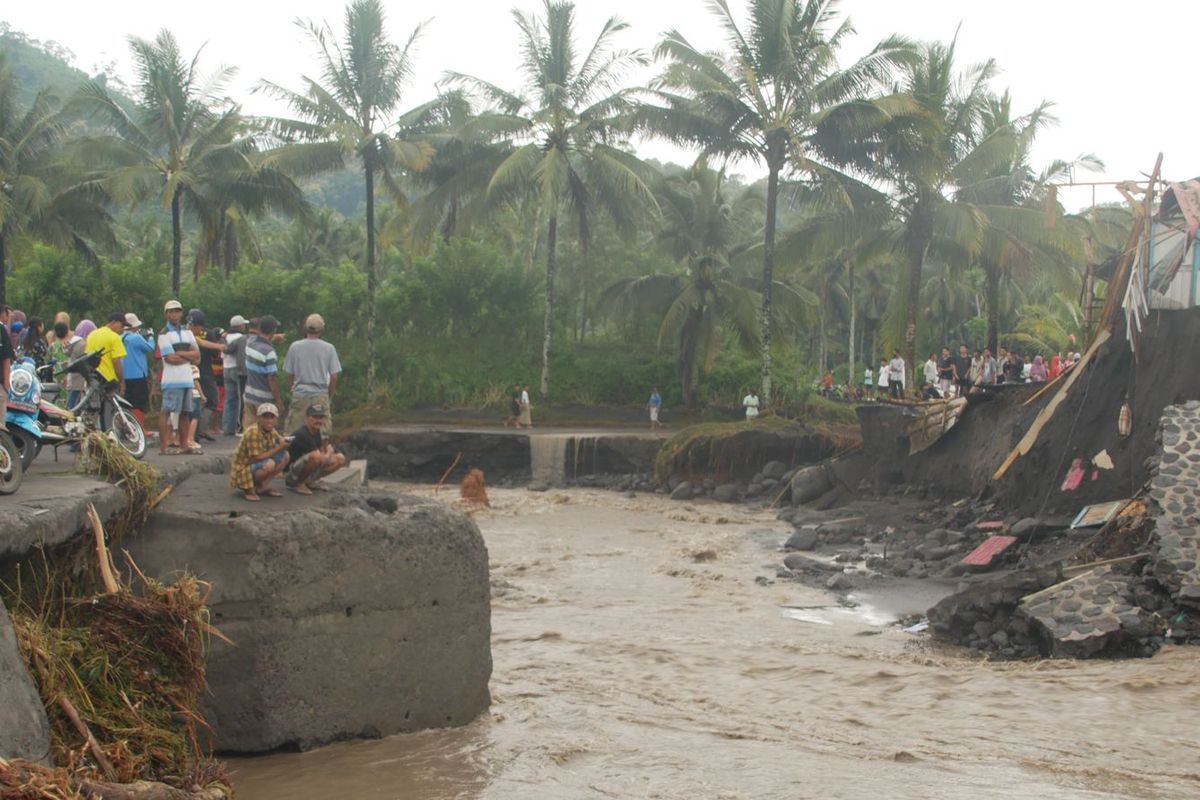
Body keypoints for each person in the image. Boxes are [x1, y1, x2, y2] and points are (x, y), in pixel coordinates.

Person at [282, 313, 341, 435]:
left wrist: (293, 390)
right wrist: (329, 394)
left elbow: (289, 375)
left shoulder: (295, 347)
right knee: (322, 433)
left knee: (294, 432)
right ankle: (320, 453)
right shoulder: (329, 348)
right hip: (320, 395)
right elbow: (334, 377)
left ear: (305, 328)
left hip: (300, 394)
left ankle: (294, 454)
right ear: (321, 330)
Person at [157, 300, 200, 455]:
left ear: (181, 313)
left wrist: (180, 353)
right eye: (171, 311)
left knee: (185, 412)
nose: (174, 314)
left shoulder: (187, 332)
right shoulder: (164, 334)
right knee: (166, 411)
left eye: (176, 311)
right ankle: (163, 446)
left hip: (187, 379)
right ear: (166, 314)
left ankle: (184, 445)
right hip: (171, 379)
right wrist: (188, 356)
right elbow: (170, 359)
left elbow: (197, 356)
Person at [230, 402, 290, 501]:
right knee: (269, 464)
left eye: (272, 417)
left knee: (285, 456)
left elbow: (279, 439)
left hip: (254, 463)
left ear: (276, 419)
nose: (269, 420)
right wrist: (279, 447)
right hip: (243, 468)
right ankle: (248, 489)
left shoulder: (271, 429)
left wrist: (286, 441)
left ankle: (261, 487)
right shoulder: (253, 432)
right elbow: (256, 458)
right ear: (259, 418)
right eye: (265, 417)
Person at [285, 403, 346, 495]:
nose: (318, 421)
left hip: (302, 467)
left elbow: (321, 453)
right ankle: (298, 484)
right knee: (316, 457)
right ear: (307, 418)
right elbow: (320, 457)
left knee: (340, 458)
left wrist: (327, 451)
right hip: (291, 473)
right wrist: (329, 451)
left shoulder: (316, 431)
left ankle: (310, 481)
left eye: (320, 418)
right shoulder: (302, 433)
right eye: (315, 417)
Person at [188, 310, 224, 441]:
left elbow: (202, 343)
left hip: (192, 372)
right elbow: (209, 348)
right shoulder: (204, 333)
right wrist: (220, 347)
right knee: (211, 400)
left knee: (196, 401)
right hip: (202, 372)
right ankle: (200, 430)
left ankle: (196, 431)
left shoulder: (183, 333)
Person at [242, 315, 283, 429]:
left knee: (249, 431)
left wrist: (274, 338)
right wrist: (278, 400)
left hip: (249, 395)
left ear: (259, 329)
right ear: (274, 330)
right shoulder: (269, 352)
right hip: (264, 400)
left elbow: (260, 339)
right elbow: (272, 378)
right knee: (265, 433)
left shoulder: (250, 344)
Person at [121, 312, 156, 432]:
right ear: (134, 326)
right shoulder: (136, 337)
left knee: (128, 402)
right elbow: (149, 348)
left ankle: (128, 428)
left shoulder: (120, 337)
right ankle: (140, 429)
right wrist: (151, 336)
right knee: (139, 403)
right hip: (138, 374)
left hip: (125, 375)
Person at [85, 313, 128, 398]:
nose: (123, 329)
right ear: (114, 322)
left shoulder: (91, 335)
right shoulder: (114, 337)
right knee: (111, 409)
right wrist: (122, 381)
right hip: (109, 381)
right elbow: (116, 361)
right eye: (122, 325)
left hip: (92, 380)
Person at [222, 315, 248, 435]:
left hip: (225, 368)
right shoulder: (241, 338)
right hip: (237, 369)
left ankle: (228, 428)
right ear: (241, 326)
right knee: (241, 399)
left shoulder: (224, 337)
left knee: (229, 400)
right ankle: (240, 426)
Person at [64, 320, 96, 410]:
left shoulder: (74, 342)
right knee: (74, 400)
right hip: (79, 376)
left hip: (73, 375)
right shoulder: (81, 344)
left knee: (72, 397)